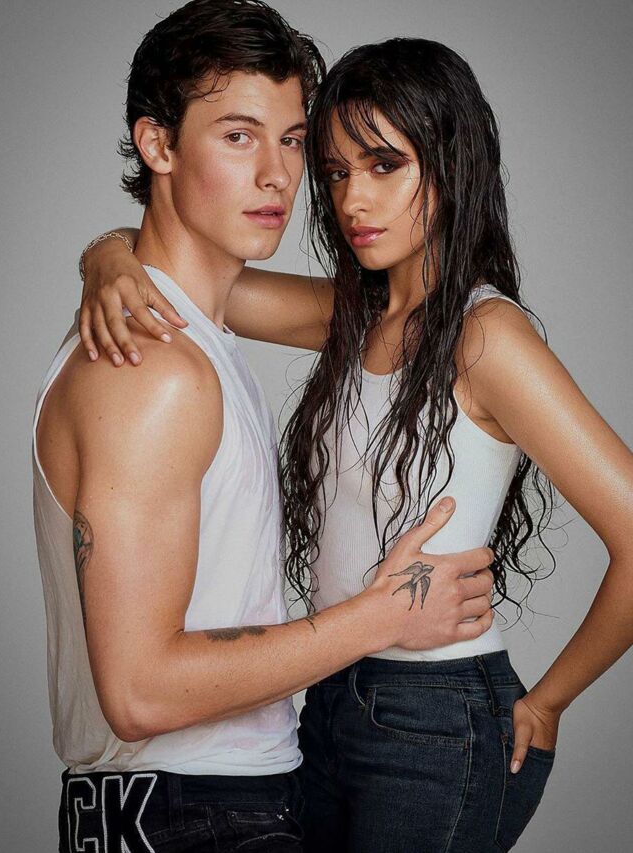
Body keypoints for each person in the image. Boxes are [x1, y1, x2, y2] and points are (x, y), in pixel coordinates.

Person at [78, 35, 633, 853]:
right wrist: (103, 258)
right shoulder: (354, 317)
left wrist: (548, 702)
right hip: (329, 699)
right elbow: (188, 279)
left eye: (384, 166)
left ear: (450, 164)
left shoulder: (486, 337)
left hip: (437, 714)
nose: (352, 200)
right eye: (336, 173)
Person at [34, 7, 500, 852]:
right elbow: (139, 691)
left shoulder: (190, 333)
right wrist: (383, 616)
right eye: (239, 136)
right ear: (157, 144)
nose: (278, 175)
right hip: (193, 812)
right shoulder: (155, 373)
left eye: (292, 142)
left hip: (189, 805)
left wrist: (105, 251)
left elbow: (407, 315)